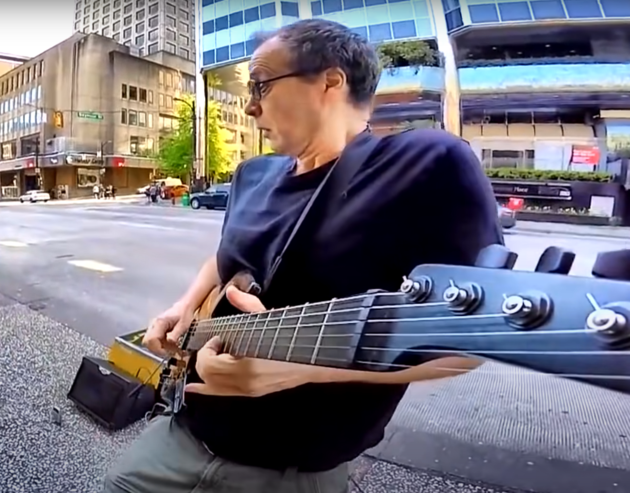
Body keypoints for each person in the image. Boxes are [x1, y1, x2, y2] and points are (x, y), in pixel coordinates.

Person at [103, 19, 501, 493]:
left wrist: (294, 370)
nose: (250, 107)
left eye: (262, 86)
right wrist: (185, 305)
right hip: (179, 435)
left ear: (330, 81)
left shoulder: (426, 163)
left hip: (293, 471)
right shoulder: (253, 174)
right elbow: (227, 257)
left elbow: (467, 343)